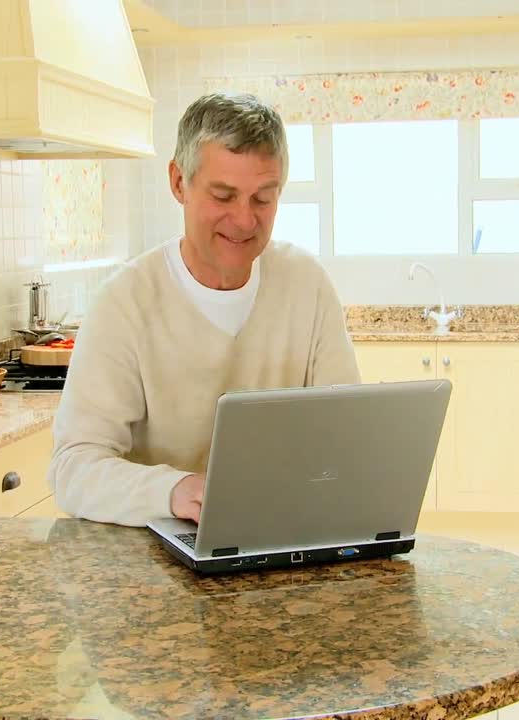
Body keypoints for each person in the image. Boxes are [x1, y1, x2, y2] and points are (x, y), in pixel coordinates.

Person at [47, 92, 360, 527]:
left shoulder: (307, 285)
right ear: (179, 182)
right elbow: (73, 469)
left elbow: (345, 435)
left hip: (279, 538)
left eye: (262, 199)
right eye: (223, 195)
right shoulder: (125, 302)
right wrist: (172, 491)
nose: (244, 220)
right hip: (154, 560)